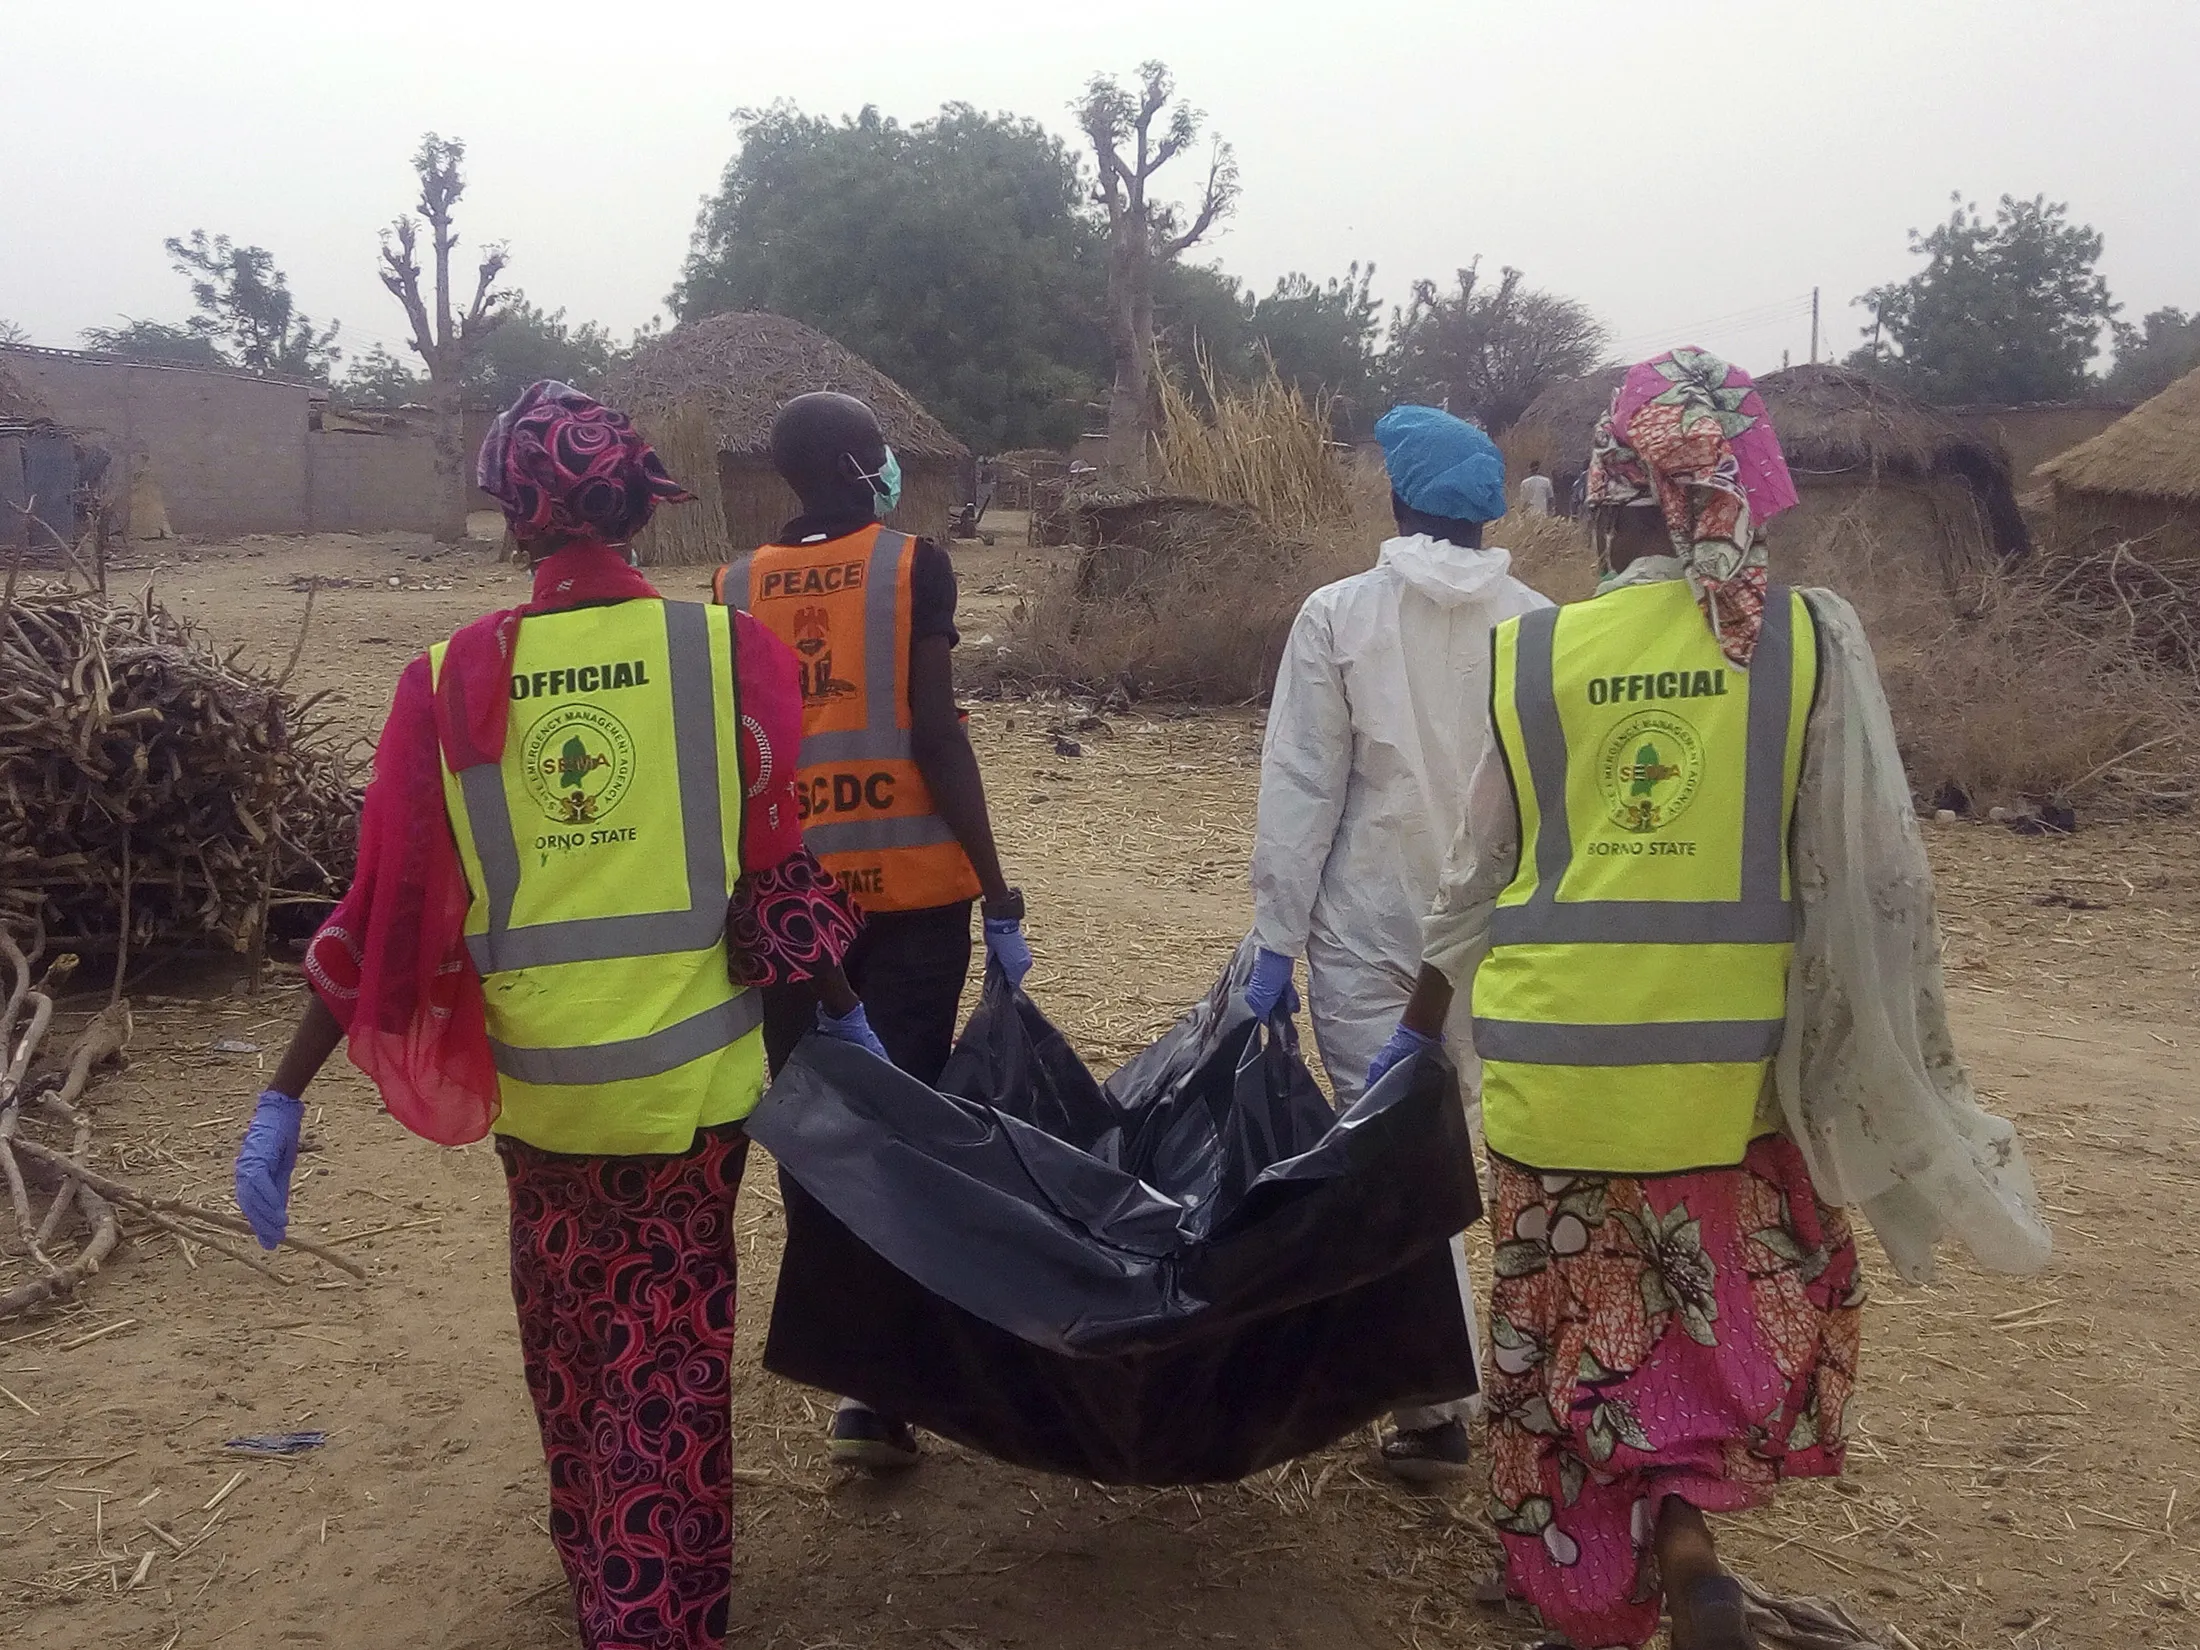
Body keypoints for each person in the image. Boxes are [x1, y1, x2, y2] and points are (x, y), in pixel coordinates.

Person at [1368, 349, 2050, 1649]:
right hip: (1729, 1094)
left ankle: (1634, 1579)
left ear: (1612, 498)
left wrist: (1407, 1052)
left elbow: (1469, 891)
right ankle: (1691, 1548)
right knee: (1692, 1329)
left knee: (1579, 1349)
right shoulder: (1804, 642)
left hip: (1554, 1089)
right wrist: (1889, 1052)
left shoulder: (1532, 654)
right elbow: (1872, 872)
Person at [232, 382, 878, 1650]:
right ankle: (663, 1608)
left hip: (541, 1097)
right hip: (692, 1096)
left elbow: (390, 901)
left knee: (570, 1344)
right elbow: (774, 870)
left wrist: (283, 1092)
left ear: (513, 518)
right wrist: (848, 1015)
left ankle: (602, 1577)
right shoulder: (718, 653)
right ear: (639, 503)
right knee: (674, 1359)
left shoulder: (449, 677)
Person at [713, 390, 1031, 1471]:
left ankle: (859, 1373)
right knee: (906, 1120)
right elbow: (936, 735)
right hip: (910, 899)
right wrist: (997, 887)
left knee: (821, 1125)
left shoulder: (733, 585)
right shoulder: (912, 566)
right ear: (860, 463)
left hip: (793, 910)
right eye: (881, 450)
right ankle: (880, 1387)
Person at [1243, 403, 1549, 1481]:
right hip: (1507, 942)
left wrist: (1271, 945)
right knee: (1484, 1151)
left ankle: (1431, 1407)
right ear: (1487, 511)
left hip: (1370, 934)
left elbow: (1303, 787)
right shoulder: (1543, 624)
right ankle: (1516, 1388)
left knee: (1394, 1160)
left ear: (1396, 499)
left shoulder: (1338, 617)